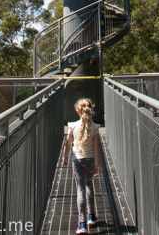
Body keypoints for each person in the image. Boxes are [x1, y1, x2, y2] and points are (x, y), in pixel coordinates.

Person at [63, 98, 101, 234]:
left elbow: (68, 144)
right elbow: (97, 148)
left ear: (77, 111)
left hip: (77, 159)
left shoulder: (72, 126)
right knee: (89, 184)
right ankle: (92, 216)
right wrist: (98, 164)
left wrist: (65, 156)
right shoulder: (95, 127)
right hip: (90, 159)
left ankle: (82, 223)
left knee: (80, 189)